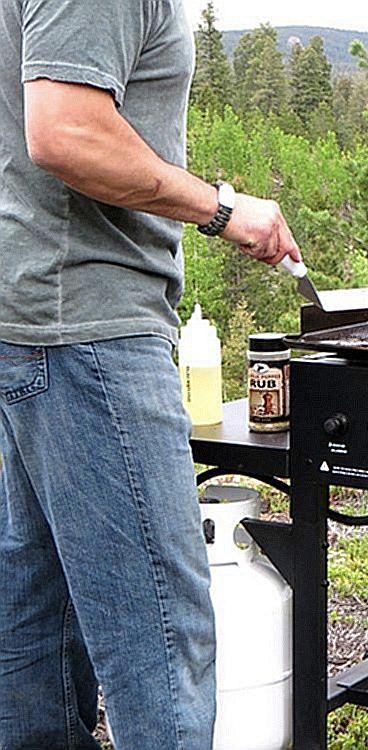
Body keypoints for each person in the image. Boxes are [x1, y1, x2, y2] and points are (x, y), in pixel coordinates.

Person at [0, 2, 301, 748]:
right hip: (88, 326)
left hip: (31, 322)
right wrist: (224, 208)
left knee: (33, 623)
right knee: (160, 638)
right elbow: (64, 131)